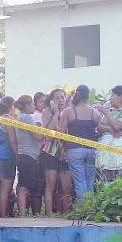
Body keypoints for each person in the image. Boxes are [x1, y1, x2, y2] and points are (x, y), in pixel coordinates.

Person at [61, 85, 103, 199]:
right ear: (88, 97)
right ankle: (91, 207)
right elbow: (100, 131)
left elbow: (61, 132)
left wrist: (66, 145)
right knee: (89, 182)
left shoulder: (68, 111)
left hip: (74, 149)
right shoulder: (95, 113)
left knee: (80, 184)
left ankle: (82, 208)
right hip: (91, 149)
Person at [39, 88, 73, 216]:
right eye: (57, 98)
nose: (61, 100)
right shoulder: (47, 111)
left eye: (62, 97)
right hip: (50, 152)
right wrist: (56, 113)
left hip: (65, 153)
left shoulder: (69, 111)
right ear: (51, 100)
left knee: (66, 187)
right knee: (50, 186)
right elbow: (49, 136)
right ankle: (49, 214)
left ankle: (66, 212)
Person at [13, 95, 43, 217]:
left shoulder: (20, 117)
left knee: (24, 186)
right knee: (24, 188)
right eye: (32, 104)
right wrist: (44, 127)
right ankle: (22, 214)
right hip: (27, 156)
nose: (34, 107)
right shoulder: (26, 117)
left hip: (25, 155)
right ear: (27, 105)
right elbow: (38, 136)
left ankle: (22, 212)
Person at [0, 98, 18, 217]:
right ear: (11, 107)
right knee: (6, 189)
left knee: (3, 187)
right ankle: (3, 215)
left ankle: (5, 214)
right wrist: (17, 155)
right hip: (7, 156)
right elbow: (12, 140)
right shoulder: (8, 120)